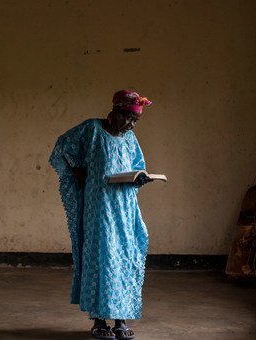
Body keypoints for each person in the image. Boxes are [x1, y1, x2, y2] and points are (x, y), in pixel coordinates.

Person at [49, 90, 153, 340]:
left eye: (135, 121)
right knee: (102, 258)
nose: (130, 124)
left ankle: (121, 319)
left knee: (125, 256)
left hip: (125, 207)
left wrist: (141, 177)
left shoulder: (130, 138)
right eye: (127, 118)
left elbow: (138, 165)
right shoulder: (92, 129)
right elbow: (62, 146)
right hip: (100, 207)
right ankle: (99, 321)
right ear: (115, 111)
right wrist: (77, 172)